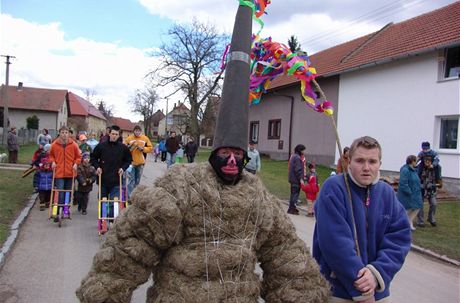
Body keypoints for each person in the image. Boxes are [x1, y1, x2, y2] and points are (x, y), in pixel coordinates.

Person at [76, 5, 329, 301]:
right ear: (213, 154)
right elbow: (132, 245)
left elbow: (287, 256)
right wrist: (105, 292)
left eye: (239, 155)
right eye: (225, 154)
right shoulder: (182, 188)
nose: (233, 161)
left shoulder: (258, 198)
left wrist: (306, 296)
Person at [313, 136, 411, 303]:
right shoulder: (334, 188)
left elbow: (399, 238)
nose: (366, 168)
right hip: (338, 292)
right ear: (348, 161)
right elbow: (335, 243)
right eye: (360, 161)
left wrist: (376, 273)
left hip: (377, 292)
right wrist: (362, 291)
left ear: (380, 163)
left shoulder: (387, 193)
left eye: (372, 161)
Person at [49, 126, 82, 221]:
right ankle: (58, 211)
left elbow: (79, 157)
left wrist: (76, 163)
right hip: (59, 173)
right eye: (62, 132)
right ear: (59, 133)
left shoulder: (74, 145)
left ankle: (65, 211)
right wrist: (53, 162)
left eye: (66, 132)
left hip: (70, 172)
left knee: (68, 192)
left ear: (69, 134)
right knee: (60, 192)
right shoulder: (55, 144)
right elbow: (51, 155)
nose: (64, 134)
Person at [91, 125, 132, 199]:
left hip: (116, 179)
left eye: (116, 134)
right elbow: (93, 157)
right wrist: (97, 167)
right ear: (109, 134)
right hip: (103, 178)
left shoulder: (123, 148)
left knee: (114, 203)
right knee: (103, 201)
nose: (114, 136)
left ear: (119, 135)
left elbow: (128, 160)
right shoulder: (101, 146)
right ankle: (104, 210)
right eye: (113, 134)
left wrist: (123, 168)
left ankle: (112, 210)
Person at [397, 155, 423, 231]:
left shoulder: (413, 169)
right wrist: (409, 192)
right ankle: (402, 224)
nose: (417, 162)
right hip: (408, 194)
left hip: (416, 193)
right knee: (406, 210)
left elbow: (416, 180)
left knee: (417, 207)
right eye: (416, 161)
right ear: (412, 161)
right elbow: (403, 183)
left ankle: (409, 222)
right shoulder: (405, 170)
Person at [416, 156, 442, 227]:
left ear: (432, 162)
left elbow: (440, 184)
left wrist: (433, 185)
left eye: (429, 162)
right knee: (420, 204)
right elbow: (415, 179)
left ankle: (431, 218)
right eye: (425, 162)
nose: (427, 163)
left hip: (431, 189)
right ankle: (420, 221)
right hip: (421, 189)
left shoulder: (437, 168)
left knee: (434, 203)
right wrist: (420, 185)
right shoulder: (420, 168)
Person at [287, 144, 306, 215]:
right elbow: (298, 170)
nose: (304, 152)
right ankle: (292, 209)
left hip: (292, 179)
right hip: (296, 180)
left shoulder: (293, 156)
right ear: (300, 150)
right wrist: (301, 179)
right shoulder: (297, 158)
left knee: (292, 194)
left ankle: (291, 208)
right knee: (295, 194)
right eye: (303, 150)